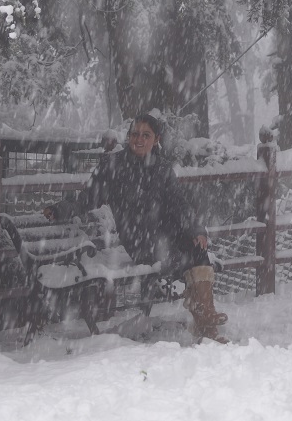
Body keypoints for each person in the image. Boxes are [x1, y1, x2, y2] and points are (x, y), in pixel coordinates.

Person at [44, 113, 228, 342]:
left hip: (167, 234)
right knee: (181, 256)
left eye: (145, 135)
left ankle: (207, 323)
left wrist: (197, 230)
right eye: (134, 134)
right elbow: (87, 198)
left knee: (197, 248)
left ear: (156, 139)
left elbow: (180, 204)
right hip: (140, 240)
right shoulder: (113, 166)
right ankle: (203, 317)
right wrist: (61, 209)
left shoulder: (161, 168)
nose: (138, 139)